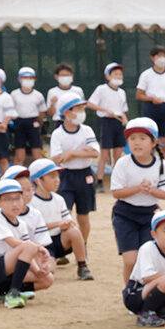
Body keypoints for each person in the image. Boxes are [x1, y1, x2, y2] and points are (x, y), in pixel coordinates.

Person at [110, 117, 165, 283]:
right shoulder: (123, 163)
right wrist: (138, 188)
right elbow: (116, 192)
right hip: (125, 214)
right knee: (131, 260)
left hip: (150, 216)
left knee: (148, 260)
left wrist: (151, 190)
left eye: (143, 138)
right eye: (132, 138)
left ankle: (148, 295)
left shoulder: (160, 164)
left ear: (154, 143)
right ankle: (130, 293)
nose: (137, 143)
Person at [0, 178, 53, 306]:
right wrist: (39, 248)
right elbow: (14, 243)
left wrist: (37, 272)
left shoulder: (22, 225)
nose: (15, 204)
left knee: (47, 279)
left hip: (6, 269)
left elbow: (27, 253)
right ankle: (13, 294)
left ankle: (0, 293)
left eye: (18, 198)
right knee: (28, 246)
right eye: (8, 199)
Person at [48, 95, 98, 255]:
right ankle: (63, 249)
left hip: (85, 176)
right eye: (78, 109)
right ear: (67, 113)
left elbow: (95, 152)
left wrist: (72, 153)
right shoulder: (57, 134)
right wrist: (83, 152)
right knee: (64, 217)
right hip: (64, 177)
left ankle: (82, 248)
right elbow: (57, 159)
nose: (82, 112)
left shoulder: (87, 130)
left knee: (83, 216)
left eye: (82, 108)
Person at [121, 207, 165, 326]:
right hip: (135, 295)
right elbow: (146, 278)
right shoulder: (148, 248)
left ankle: (159, 309)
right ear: (154, 234)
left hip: (153, 288)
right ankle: (145, 314)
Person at [27, 158, 90, 276]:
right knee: (48, 270)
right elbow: (33, 229)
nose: (57, 181)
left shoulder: (59, 199)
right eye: (52, 177)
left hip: (58, 240)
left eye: (57, 176)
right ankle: (49, 260)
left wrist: (65, 224)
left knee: (74, 231)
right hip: (41, 244)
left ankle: (82, 266)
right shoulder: (31, 202)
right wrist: (58, 224)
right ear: (38, 180)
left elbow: (68, 221)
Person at [135, 49, 165, 161]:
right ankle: (148, 167)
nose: (162, 59)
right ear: (152, 58)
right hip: (151, 109)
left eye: (164, 56)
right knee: (149, 142)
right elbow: (139, 95)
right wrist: (152, 99)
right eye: (159, 56)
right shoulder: (146, 75)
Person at [87, 63, 129, 191]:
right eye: (115, 74)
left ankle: (116, 181)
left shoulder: (122, 92)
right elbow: (90, 104)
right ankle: (99, 181)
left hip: (119, 123)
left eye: (120, 74)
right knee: (105, 153)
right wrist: (104, 109)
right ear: (108, 76)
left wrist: (125, 119)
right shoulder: (101, 89)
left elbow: (123, 109)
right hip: (107, 122)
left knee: (118, 153)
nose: (118, 76)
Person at [9, 67, 45, 164]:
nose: (27, 80)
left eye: (30, 78)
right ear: (19, 79)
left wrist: (39, 125)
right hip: (19, 123)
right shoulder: (14, 94)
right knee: (20, 154)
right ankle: (17, 176)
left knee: (37, 153)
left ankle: (41, 175)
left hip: (33, 123)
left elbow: (42, 113)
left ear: (34, 79)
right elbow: (10, 111)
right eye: (24, 77)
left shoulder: (38, 95)